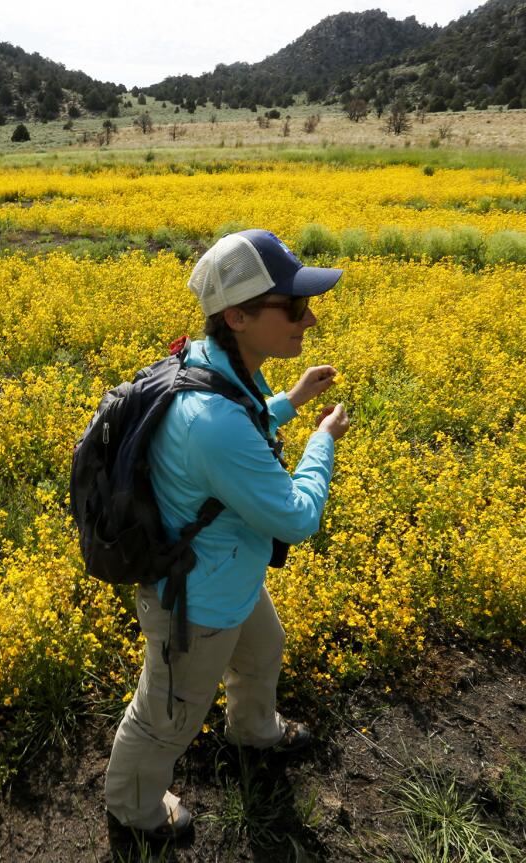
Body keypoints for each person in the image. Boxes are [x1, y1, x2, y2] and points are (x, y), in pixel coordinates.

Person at [104, 228, 351, 846]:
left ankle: (253, 731)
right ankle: (132, 810)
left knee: (264, 651)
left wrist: (288, 403)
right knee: (167, 714)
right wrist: (321, 444)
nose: (310, 318)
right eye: (293, 308)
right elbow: (295, 517)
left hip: (228, 575)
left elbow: (237, 420)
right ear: (238, 316)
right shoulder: (212, 422)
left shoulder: (209, 363)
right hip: (197, 600)